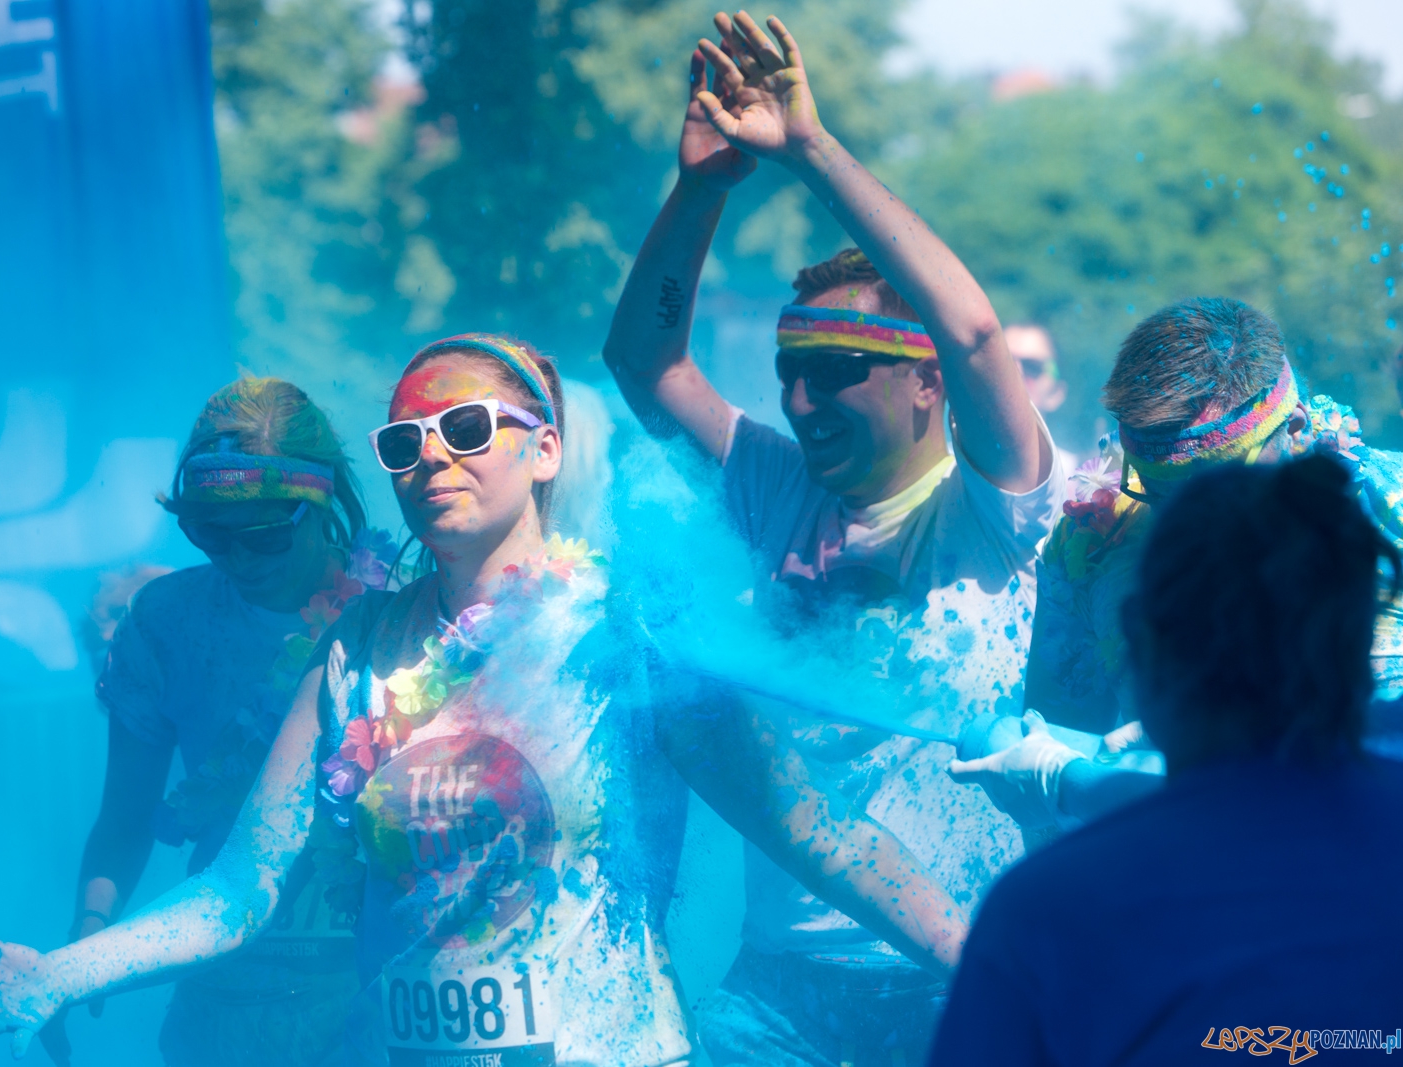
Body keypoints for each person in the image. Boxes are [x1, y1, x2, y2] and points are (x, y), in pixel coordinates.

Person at [0, 332, 968, 1067]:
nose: (432, 456)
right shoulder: (361, 645)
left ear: (546, 448)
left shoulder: (624, 626)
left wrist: (989, 955)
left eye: (467, 428)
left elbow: (810, 828)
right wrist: (61, 971)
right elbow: (236, 892)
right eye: (403, 442)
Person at [601, 12, 1062, 1065]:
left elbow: (978, 330)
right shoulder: (772, 487)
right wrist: (702, 187)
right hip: (783, 988)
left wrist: (808, 148)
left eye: (840, 366)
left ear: (924, 381)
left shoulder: (1000, 505)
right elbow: (644, 362)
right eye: (791, 369)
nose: (803, 397)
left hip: (966, 970)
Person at [929, 454, 1403, 1066]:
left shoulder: (1050, 914)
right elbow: (1268, 814)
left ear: (1142, 643)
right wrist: (1077, 782)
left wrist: (1068, 781)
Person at [955, 298, 1403, 828]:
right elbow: (1049, 756)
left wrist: (1086, 787)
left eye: (1217, 488)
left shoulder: (1389, 511)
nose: (1192, 526)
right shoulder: (1091, 547)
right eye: (1159, 492)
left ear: (1295, 427)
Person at [57, 376, 391, 1067]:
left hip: (373, 1000)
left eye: (264, 536)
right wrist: (79, 951)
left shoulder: (393, 609)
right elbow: (124, 818)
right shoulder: (167, 621)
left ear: (318, 501)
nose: (236, 558)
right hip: (226, 1008)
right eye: (208, 532)